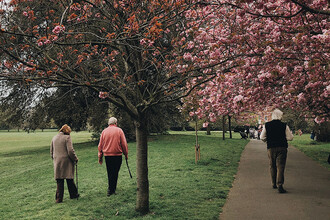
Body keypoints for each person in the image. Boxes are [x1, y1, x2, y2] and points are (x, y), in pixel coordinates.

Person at [260, 109, 293, 193]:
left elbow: (262, 137)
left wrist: (269, 139)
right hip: (282, 147)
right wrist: (282, 138)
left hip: (271, 147)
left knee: (272, 165)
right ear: (280, 116)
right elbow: (290, 138)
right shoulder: (284, 126)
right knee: (280, 166)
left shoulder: (267, 125)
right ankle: (280, 184)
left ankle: (273, 183)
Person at [98, 117, 128, 196]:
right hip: (117, 155)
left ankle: (111, 188)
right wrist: (126, 154)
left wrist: (100, 156)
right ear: (116, 123)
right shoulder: (119, 130)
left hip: (107, 155)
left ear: (109, 123)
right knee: (115, 172)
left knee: (110, 172)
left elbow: (100, 145)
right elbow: (124, 144)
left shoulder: (104, 131)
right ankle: (111, 189)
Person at [50, 124, 79, 203]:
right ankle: (73, 194)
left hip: (57, 161)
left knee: (59, 180)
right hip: (66, 161)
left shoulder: (54, 138)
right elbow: (70, 150)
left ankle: (59, 198)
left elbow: (51, 151)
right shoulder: (67, 138)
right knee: (69, 178)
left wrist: (54, 158)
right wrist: (75, 158)